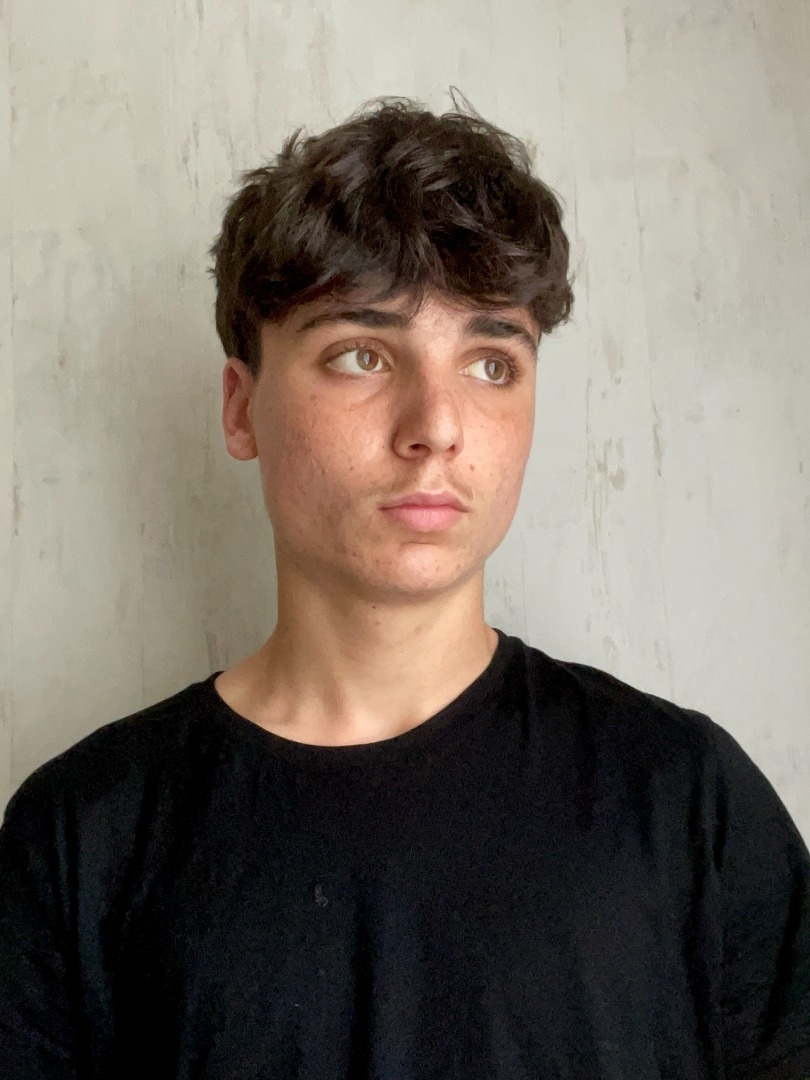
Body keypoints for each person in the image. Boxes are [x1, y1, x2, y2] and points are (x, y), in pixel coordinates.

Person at [1, 89, 809, 1080]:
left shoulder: (687, 801)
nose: (437, 425)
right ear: (241, 408)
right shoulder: (81, 837)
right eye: (361, 354)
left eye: (490, 363)